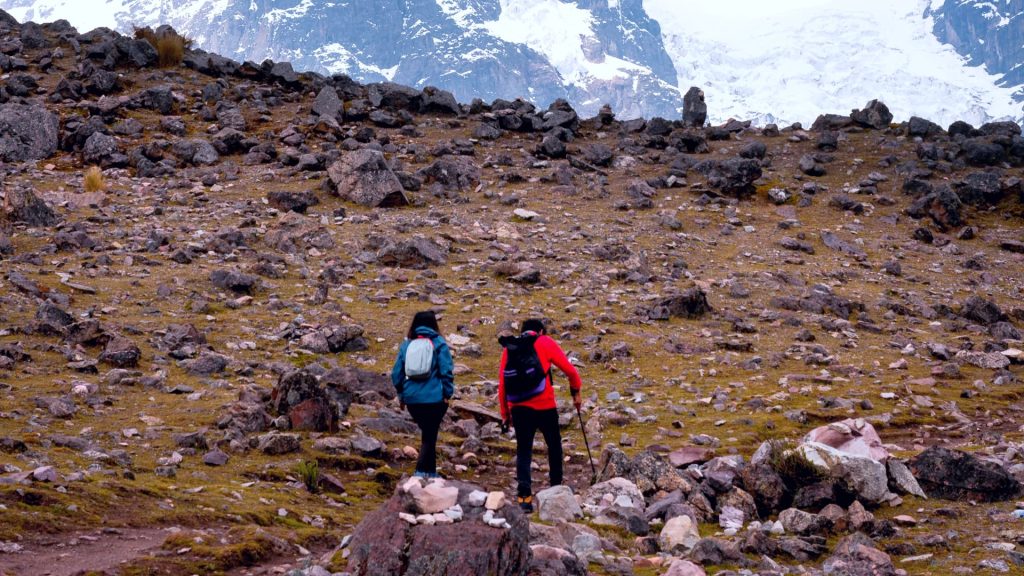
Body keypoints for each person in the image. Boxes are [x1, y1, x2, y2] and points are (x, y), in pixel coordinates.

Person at [498, 319, 582, 512]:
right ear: (541, 331)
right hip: (545, 405)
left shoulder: (510, 347)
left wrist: (505, 413)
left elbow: (502, 384)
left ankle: (524, 498)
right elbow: (570, 371)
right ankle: (555, 488)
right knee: (554, 445)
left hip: (519, 407)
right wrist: (576, 392)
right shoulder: (545, 342)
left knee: (524, 450)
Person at [391, 310, 454, 478]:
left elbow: (396, 374)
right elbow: (446, 371)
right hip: (434, 398)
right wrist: (448, 393)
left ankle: (430, 472)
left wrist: (402, 396)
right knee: (429, 435)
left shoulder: (407, 345)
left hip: (412, 399)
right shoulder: (439, 343)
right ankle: (421, 473)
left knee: (428, 433)